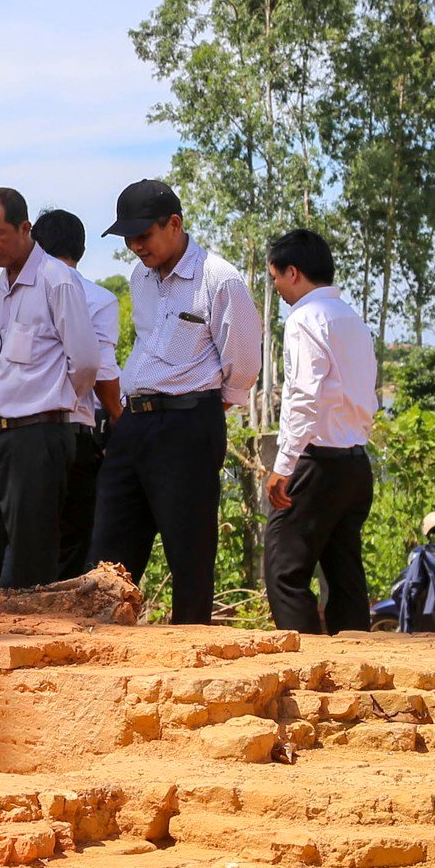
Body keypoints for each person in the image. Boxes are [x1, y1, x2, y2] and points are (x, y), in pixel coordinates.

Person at [91, 178, 260, 625]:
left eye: (143, 235)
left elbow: (242, 365)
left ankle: (191, 665)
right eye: (127, 237)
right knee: (107, 556)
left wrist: (198, 415)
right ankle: (100, 653)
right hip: (133, 425)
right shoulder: (140, 279)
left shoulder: (219, 279)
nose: (134, 246)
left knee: (189, 556)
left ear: (174, 224)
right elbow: (149, 344)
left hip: (188, 424)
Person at [0, 189, 101, 618]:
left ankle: (27, 657)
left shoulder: (57, 280)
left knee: (33, 556)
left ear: (24, 228)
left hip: (39, 433)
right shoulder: (0, 286)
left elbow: (86, 362)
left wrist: (54, 406)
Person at [262, 227, 379, 633]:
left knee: (283, 571)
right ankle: (354, 666)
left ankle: (305, 668)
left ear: (292, 272)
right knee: (344, 573)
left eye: (275, 276)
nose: (275, 286)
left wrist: (284, 465)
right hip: (355, 464)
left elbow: (303, 397)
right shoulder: (353, 320)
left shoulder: (304, 319)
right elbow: (367, 396)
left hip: (317, 464)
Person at [32, 208, 123, 580]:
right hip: (78, 428)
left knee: (27, 532)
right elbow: (100, 367)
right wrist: (119, 416)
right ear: (81, 249)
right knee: (72, 537)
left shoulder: (17, 289)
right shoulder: (98, 298)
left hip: (23, 429)